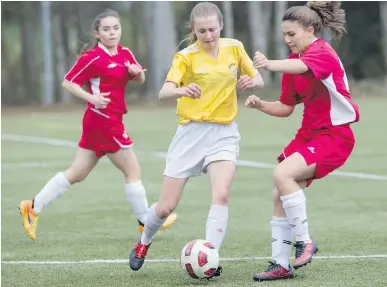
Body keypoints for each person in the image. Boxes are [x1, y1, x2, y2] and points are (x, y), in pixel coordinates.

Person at [128, 1, 264, 278]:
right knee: (166, 206)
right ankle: (144, 242)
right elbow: (163, 93)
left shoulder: (234, 47)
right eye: (201, 31)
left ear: (221, 26)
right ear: (194, 30)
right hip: (191, 134)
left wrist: (253, 82)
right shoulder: (186, 56)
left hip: (224, 133)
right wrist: (182, 90)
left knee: (222, 193)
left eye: (212, 29)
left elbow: (257, 78)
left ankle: (210, 256)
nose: (208, 35)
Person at [19, 9, 177, 241]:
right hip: (104, 121)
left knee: (77, 173)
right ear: (98, 33)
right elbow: (68, 83)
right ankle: (146, 221)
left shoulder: (125, 53)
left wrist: (135, 73)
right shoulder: (92, 57)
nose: (112, 33)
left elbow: (140, 77)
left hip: (106, 120)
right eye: (106, 29)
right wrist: (92, 99)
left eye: (116, 28)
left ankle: (33, 207)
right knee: (132, 170)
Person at [245, 1, 360, 282]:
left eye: (292, 34)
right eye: (284, 35)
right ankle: (281, 264)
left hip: (334, 135)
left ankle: (305, 241)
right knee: (280, 192)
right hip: (309, 133)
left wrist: (269, 64)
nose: (287, 39)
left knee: (282, 173)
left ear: (310, 30)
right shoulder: (292, 62)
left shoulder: (321, 52)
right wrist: (261, 104)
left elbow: (301, 66)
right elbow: (286, 107)